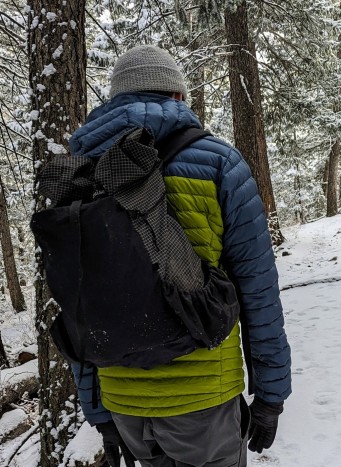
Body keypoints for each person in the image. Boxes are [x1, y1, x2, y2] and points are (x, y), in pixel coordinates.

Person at [67, 44, 292, 467]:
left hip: (123, 400)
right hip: (204, 398)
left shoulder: (80, 173)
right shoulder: (220, 163)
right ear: (177, 96)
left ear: (116, 100)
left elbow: (78, 302)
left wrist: (97, 410)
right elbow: (257, 288)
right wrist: (271, 394)